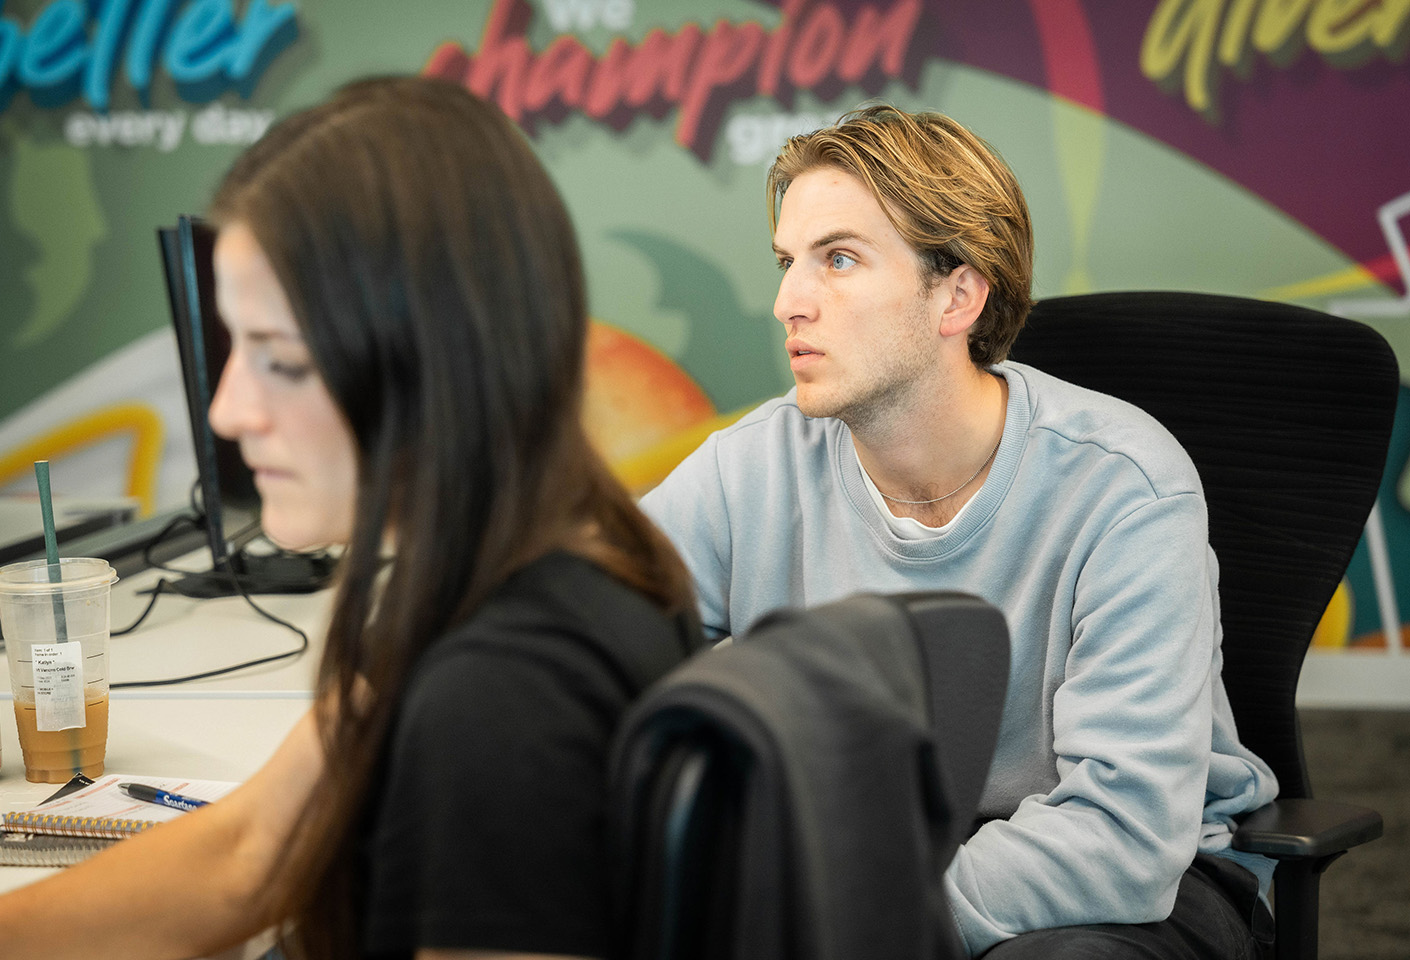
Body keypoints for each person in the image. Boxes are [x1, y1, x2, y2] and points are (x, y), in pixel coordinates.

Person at [0, 75, 701, 960]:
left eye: (279, 361)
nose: (226, 413)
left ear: (431, 362)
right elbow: (251, 854)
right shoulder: (514, 568)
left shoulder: (504, 698)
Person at [640, 105, 1279, 958]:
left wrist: (866, 922)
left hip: (1126, 885)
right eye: (788, 263)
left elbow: (1124, 831)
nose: (790, 300)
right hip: (865, 858)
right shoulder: (748, 467)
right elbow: (583, 632)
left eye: (838, 259)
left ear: (958, 294)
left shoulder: (1126, 485)